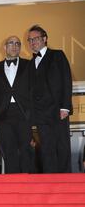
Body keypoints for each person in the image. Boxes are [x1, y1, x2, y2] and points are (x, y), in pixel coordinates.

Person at [27, 25, 73, 173]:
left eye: (36, 38)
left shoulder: (57, 55)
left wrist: (65, 107)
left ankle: (66, 183)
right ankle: (50, 183)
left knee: (62, 146)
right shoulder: (30, 63)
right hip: (40, 113)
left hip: (57, 110)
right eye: (30, 40)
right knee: (46, 148)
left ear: (45, 39)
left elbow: (66, 80)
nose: (33, 42)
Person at [0, 36, 32, 173]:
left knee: (25, 149)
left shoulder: (29, 65)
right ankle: (13, 184)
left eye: (17, 43)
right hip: (3, 114)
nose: (14, 46)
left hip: (23, 112)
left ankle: (28, 184)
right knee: (8, 150)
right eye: (11, 43)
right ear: (4, 47)